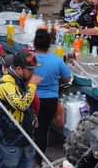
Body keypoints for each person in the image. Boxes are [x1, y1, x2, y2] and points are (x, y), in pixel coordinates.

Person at [30, 29, 71, 158]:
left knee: (29, 125)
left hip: (31, 98)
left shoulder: (29, 59)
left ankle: (27, 154)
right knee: (43, 128)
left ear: (34, 44)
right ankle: (39, 157)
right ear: (49, 44)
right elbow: (67, 78)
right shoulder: (57, 61)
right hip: (50, 100)